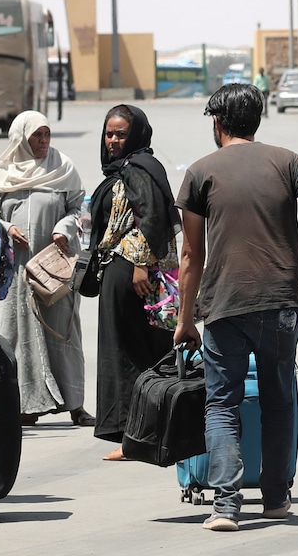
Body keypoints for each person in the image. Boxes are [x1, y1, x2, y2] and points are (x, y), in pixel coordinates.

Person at [173, 84, 298, 532]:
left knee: (221, 404)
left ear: (217, 123)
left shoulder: (200, 172)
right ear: (256, 122)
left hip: (224, 305)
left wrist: (185, 320)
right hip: (282, 303)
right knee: (278, 400)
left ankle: (225, 506)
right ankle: (277, 499)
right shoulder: (288, 162)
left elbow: (190, 255)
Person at [0, 110, 94, 429]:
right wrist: (6, 228)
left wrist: (64, 228)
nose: (43, 141)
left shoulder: (63, 168)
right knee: (21, 337)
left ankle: (76, 405)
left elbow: (78, 209)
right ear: (21, 138)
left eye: (47, 135)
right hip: (19, 271)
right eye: (36, 136)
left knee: (64, 333)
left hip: (56, 266)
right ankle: (26, 405)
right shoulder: (2, 173)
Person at [90, 104, 180, 461]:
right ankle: (137, 434)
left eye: (120, 134)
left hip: (133, 272)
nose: (113, 140)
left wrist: (141, 262)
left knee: (132, 354)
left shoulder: (138, 167)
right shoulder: (127, 167)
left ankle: (136, 436)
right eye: (109, 134)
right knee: (130, 352)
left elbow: (152, 215)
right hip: (121, 270)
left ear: (137, 135)